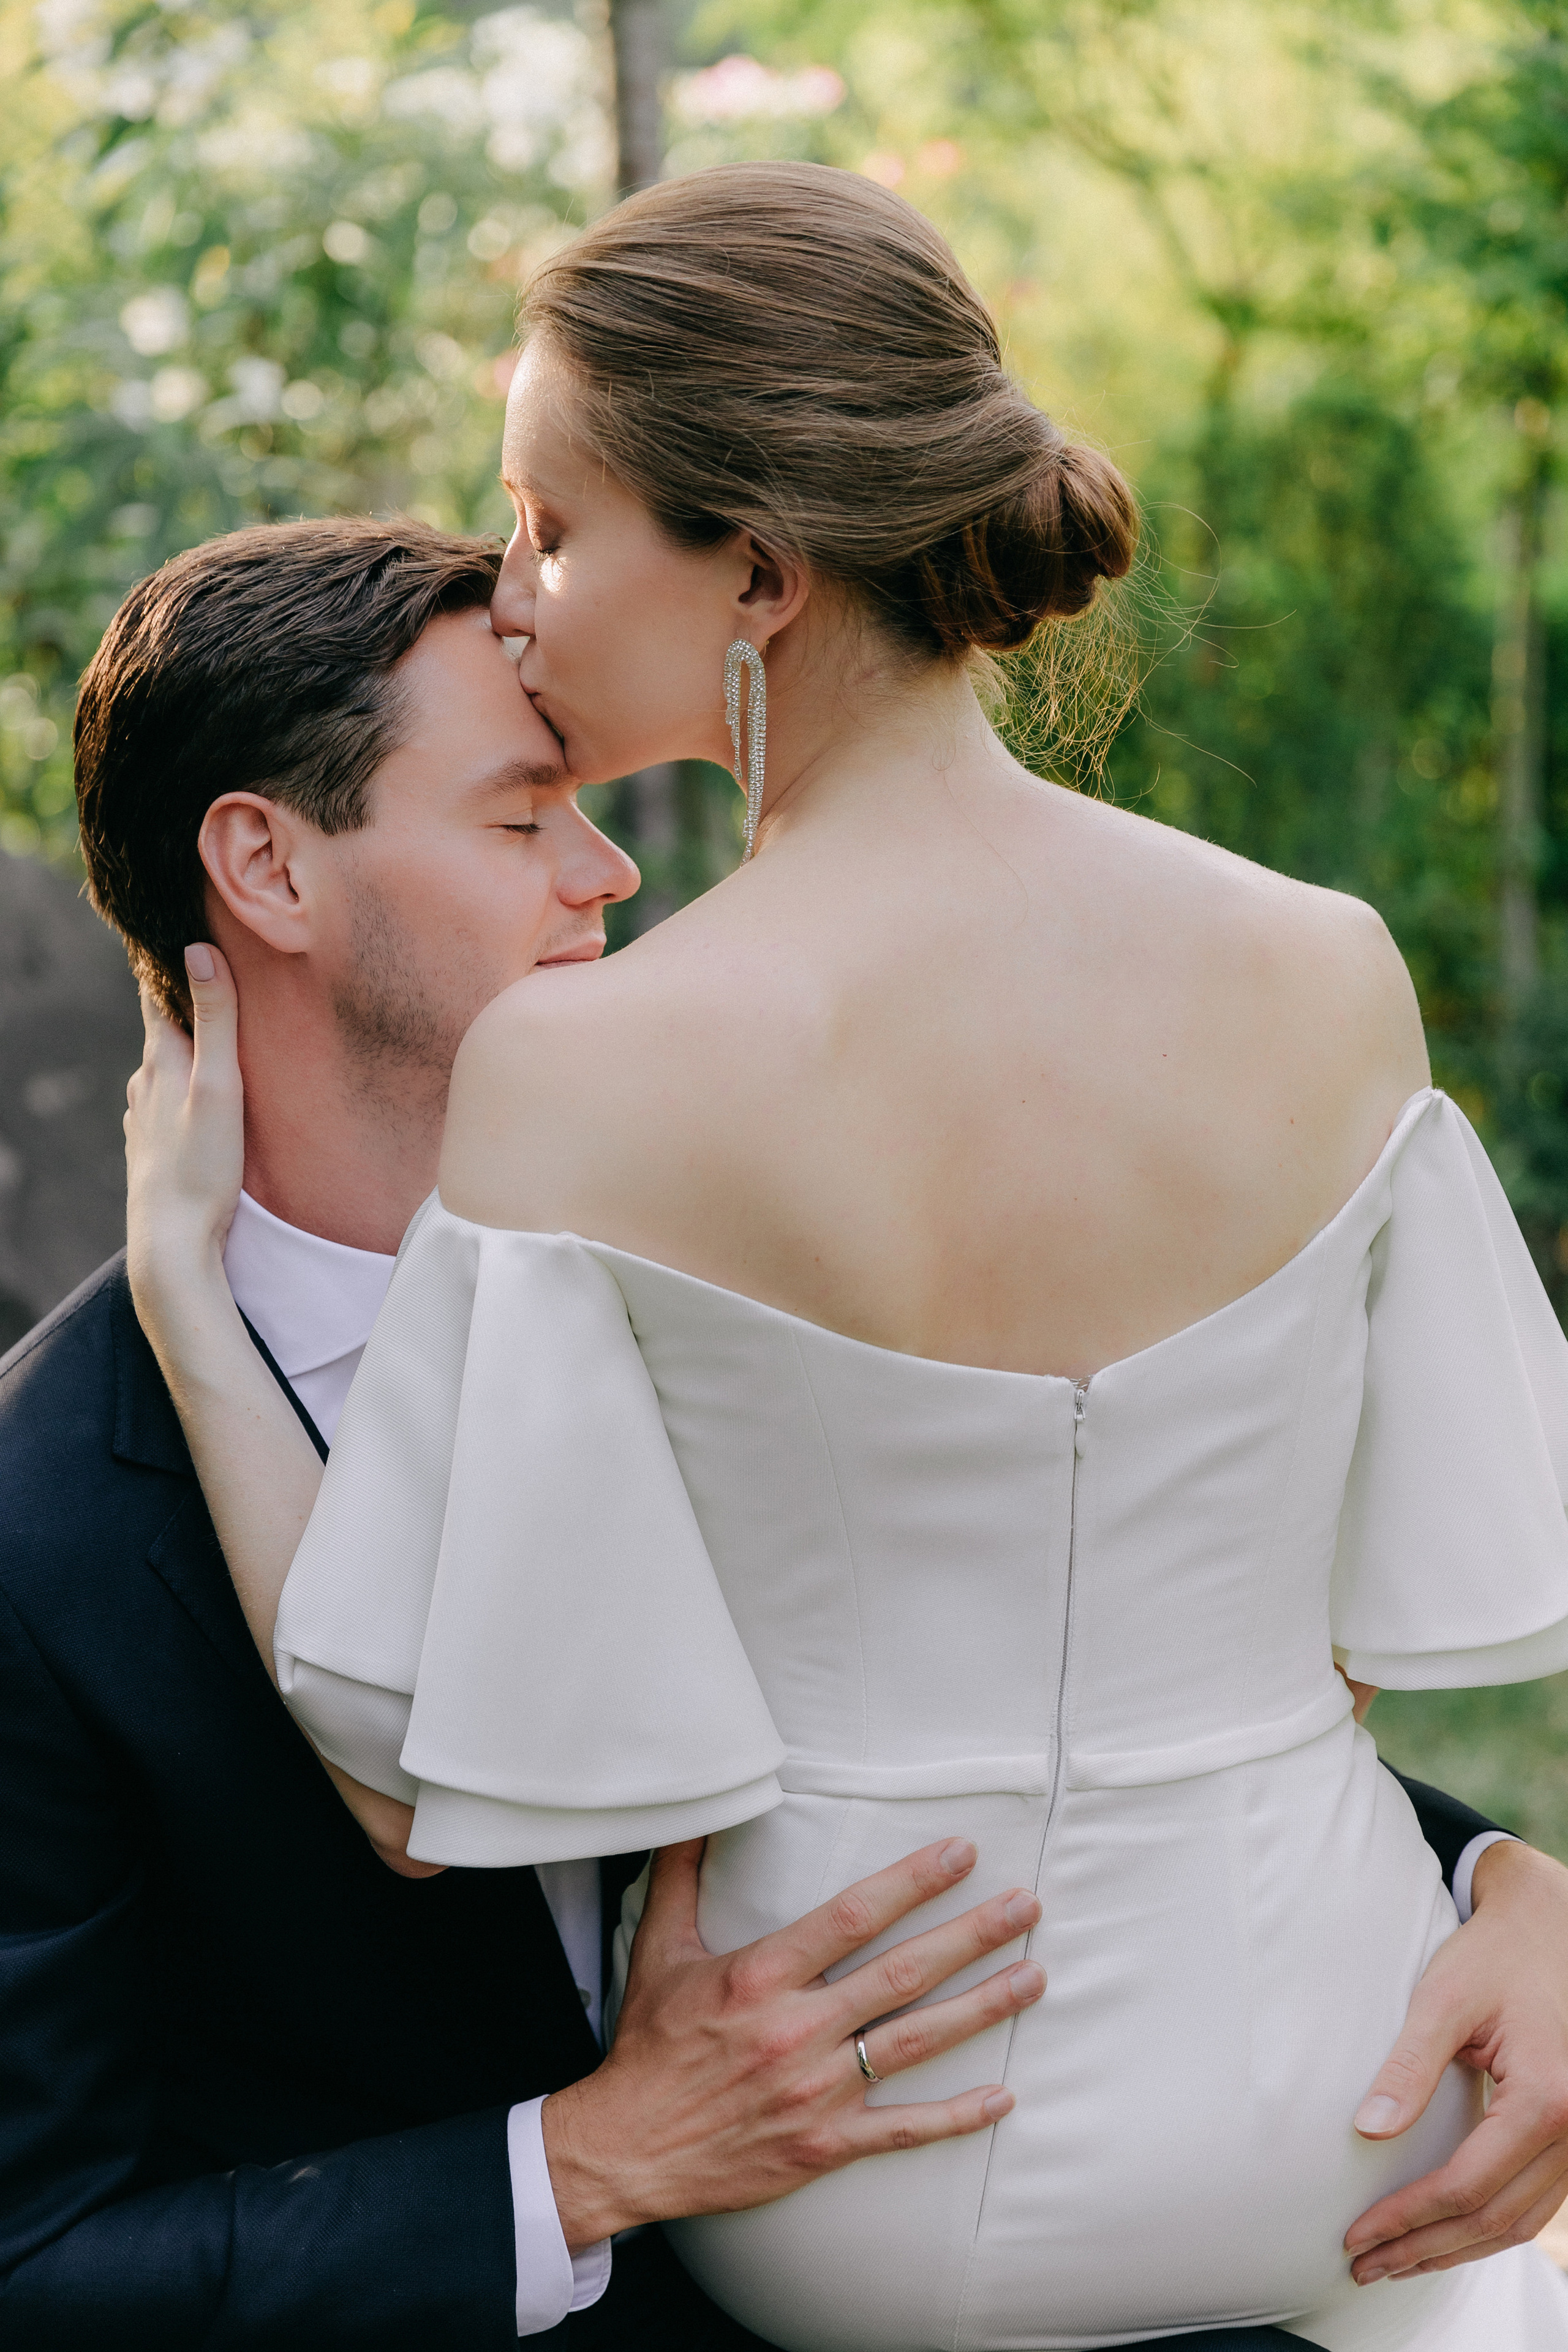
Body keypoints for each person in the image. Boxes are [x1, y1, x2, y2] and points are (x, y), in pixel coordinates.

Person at [118, 164, 1568, 2349]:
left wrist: (188, 1309)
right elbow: (1349, 1646)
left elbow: (424, 1783)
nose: (512, 595)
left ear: (761, 576)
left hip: (881, 2157)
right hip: (1353, 2087)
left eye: (548, 523)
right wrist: (1509, 1876)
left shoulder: (590, 1071)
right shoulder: (1329, 967)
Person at [0, 517, 1057, 2349]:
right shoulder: (33, 1539)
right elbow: (40, 2263)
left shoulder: (748, 1261)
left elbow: (1085, 1633)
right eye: (519, 819)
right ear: (267, 868)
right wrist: (579, 2166)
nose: (604, 878)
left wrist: (1478, 1876)